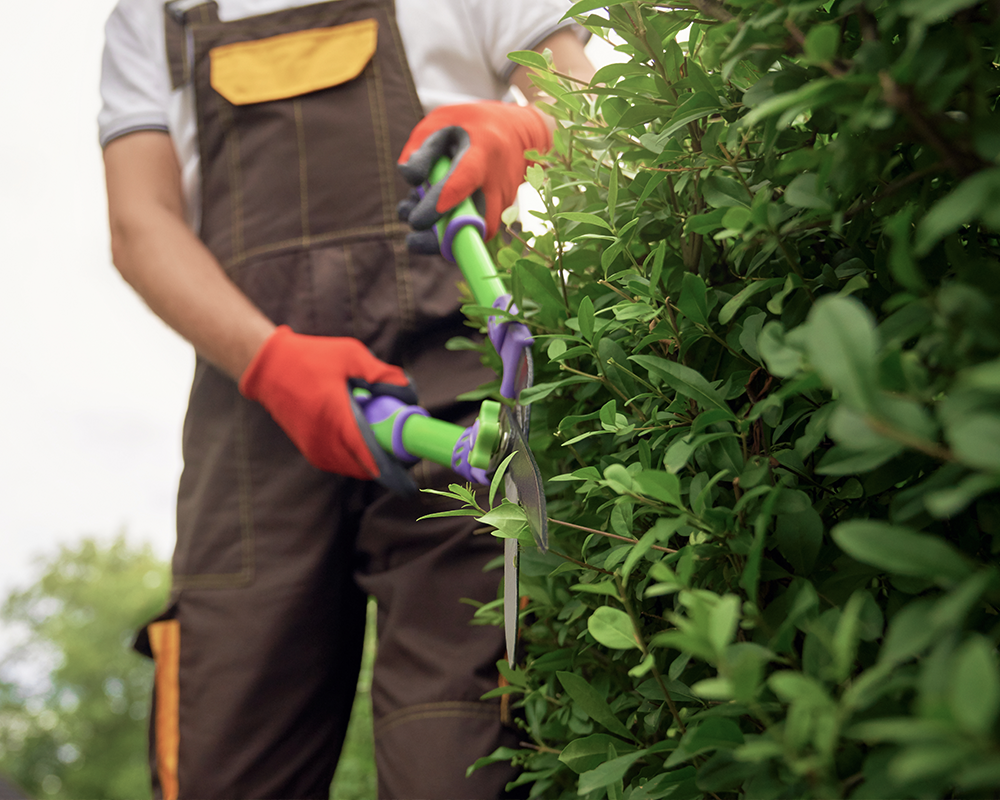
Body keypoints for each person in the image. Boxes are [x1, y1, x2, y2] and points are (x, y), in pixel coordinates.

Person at [98, 1, 594, 798]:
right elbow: (139, 222)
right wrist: (271, 364)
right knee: (226, 761)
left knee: (464, 764)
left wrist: (529, 131)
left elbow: (592, 103)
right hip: (252, 424)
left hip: (459, 390)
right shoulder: (157, 16)